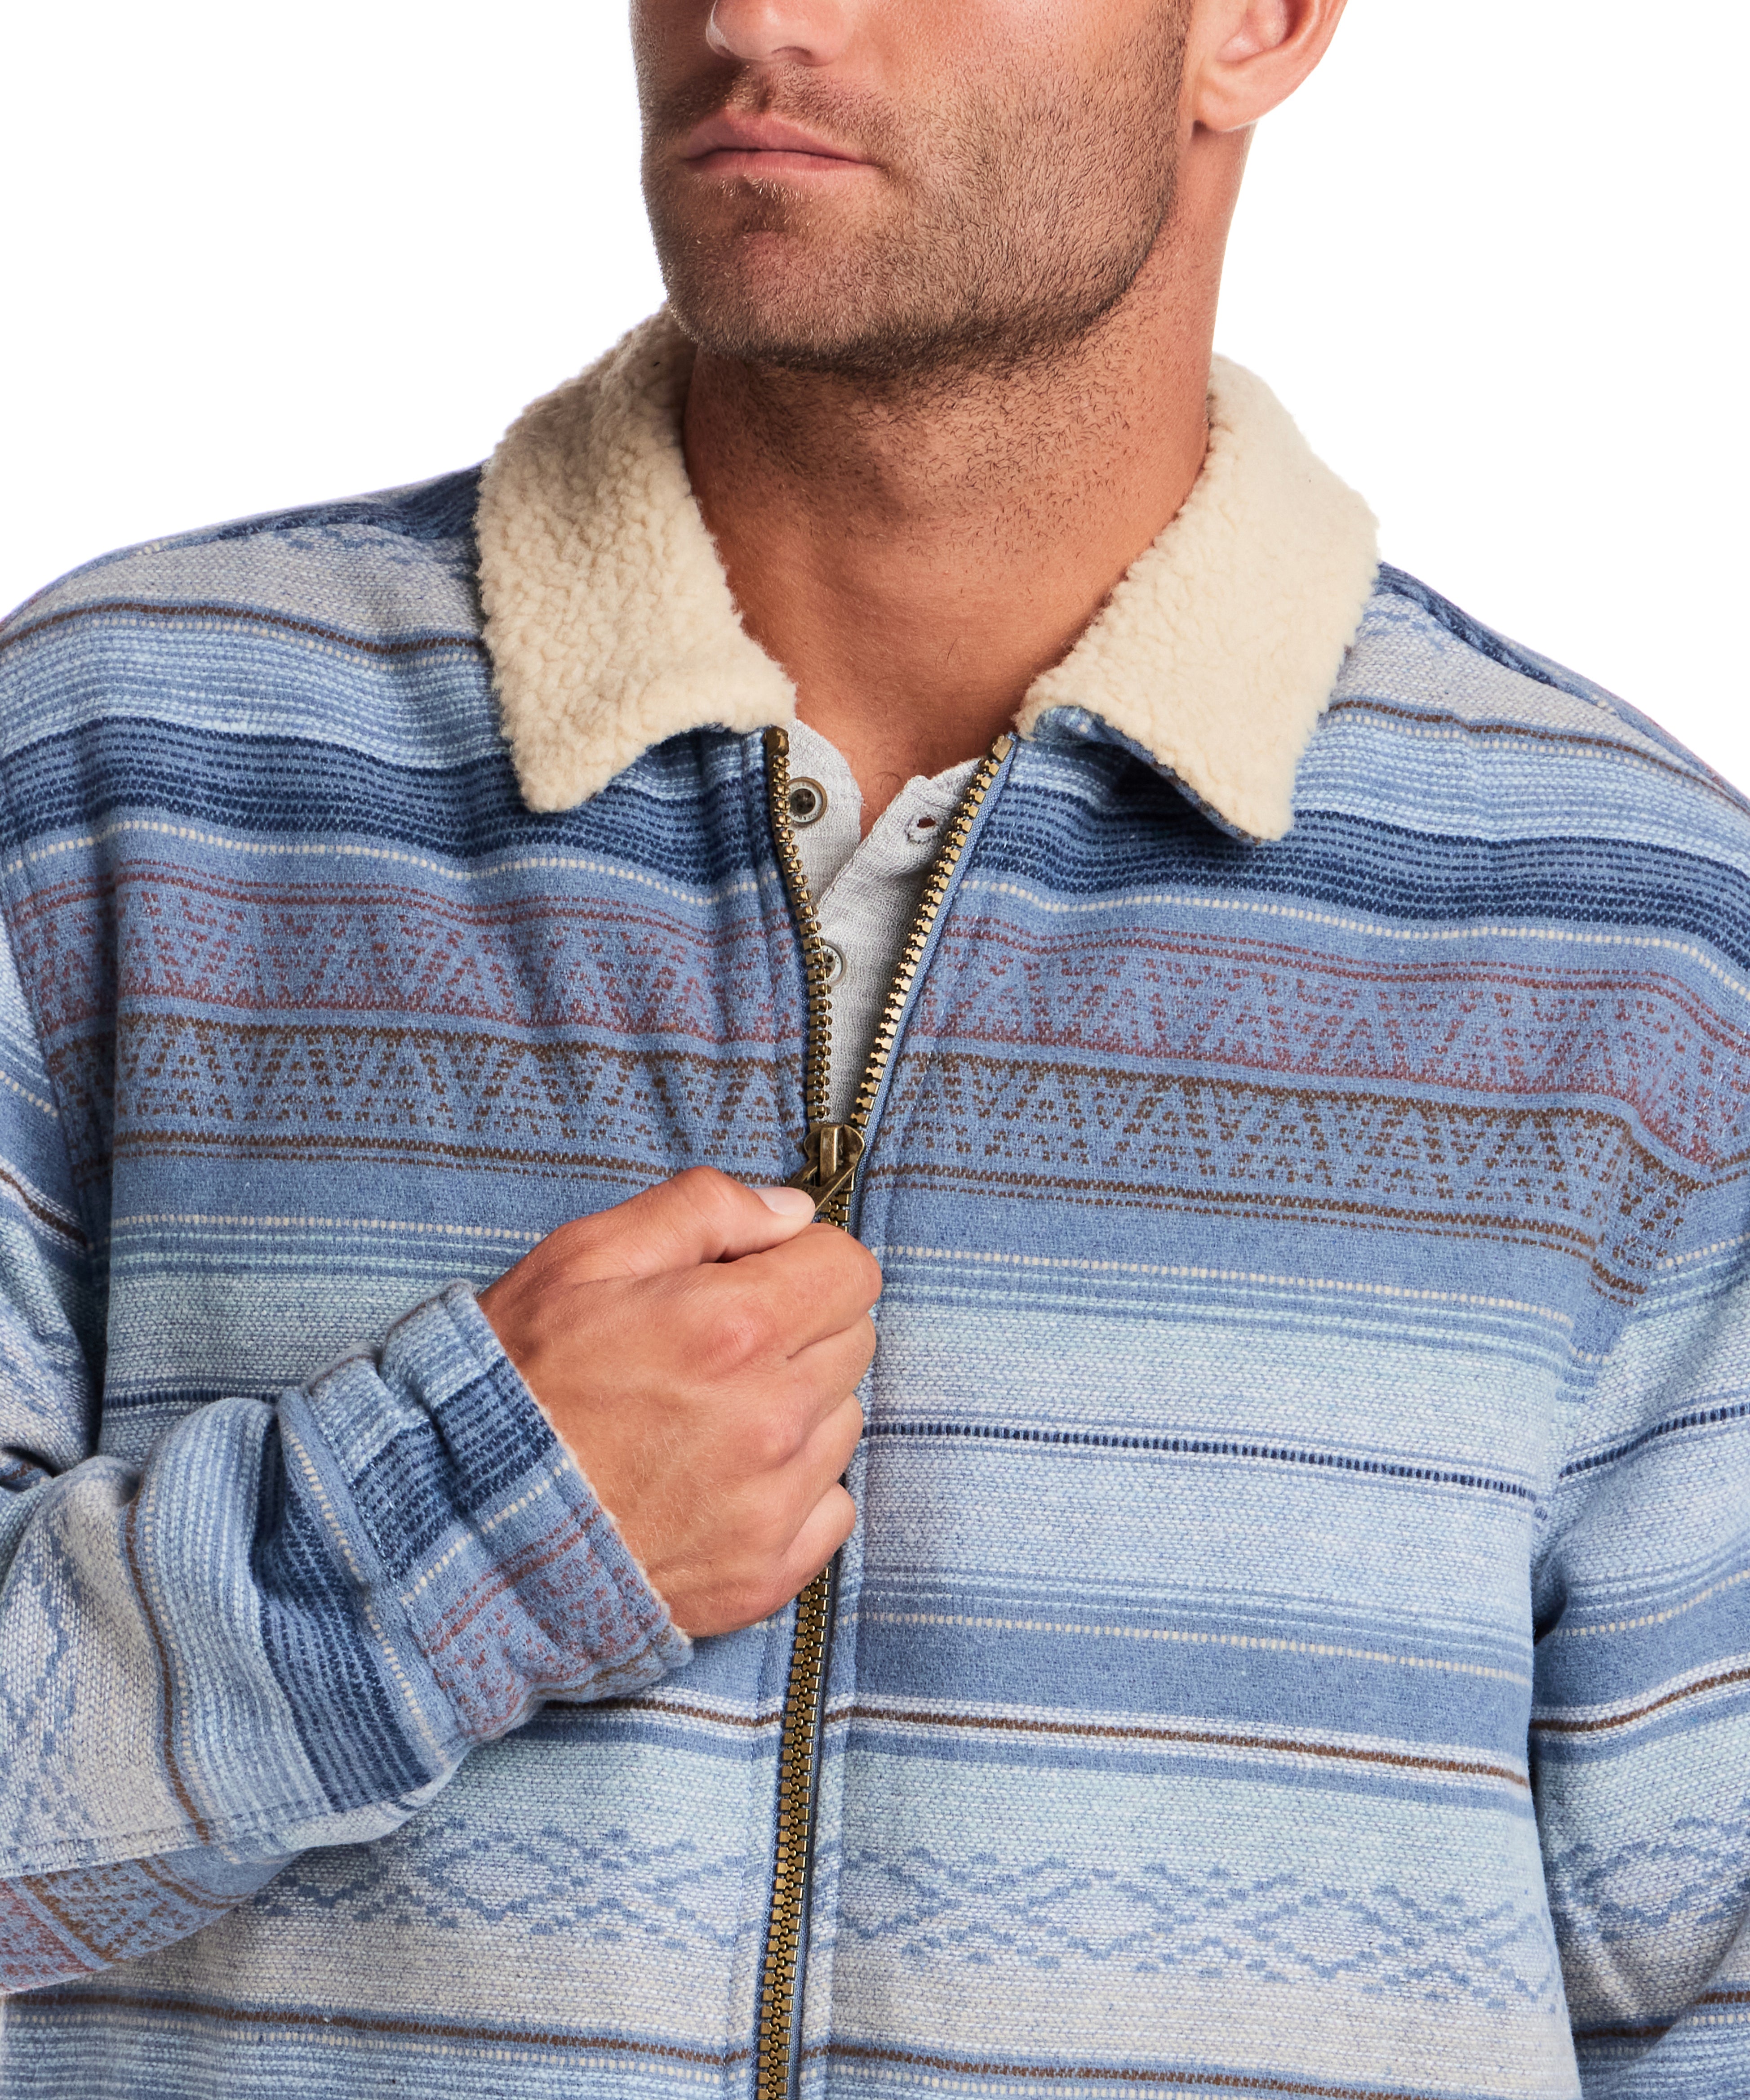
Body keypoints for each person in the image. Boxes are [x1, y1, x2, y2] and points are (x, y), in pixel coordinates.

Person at [0, 0, 1742, 2093]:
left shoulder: (1633, 943)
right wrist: (439, 1549)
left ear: (1256, 27)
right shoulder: (129, 775)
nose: (751, 18)